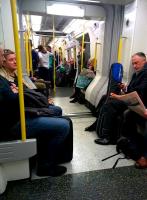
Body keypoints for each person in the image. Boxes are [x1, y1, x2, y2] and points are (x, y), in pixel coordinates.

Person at [0, 48, 72, 177]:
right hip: (13, 123)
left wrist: (39, 101)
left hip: (19, 115)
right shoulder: (2, 80)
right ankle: (45, 166)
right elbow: (12, 100)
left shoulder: (9, 77)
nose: (13, 61)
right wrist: (17, 93)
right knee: (63, 126)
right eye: (7, 59)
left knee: (56, 112)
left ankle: (51, 153)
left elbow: (19, 96)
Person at [92, 52, 147, 145]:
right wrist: (124, 88)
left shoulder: (145, 74)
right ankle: (99, 126)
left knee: (110, 104)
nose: (134, 66)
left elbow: (139, 92)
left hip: (140, 104)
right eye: (133, 63)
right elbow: (132, 90)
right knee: (105, 98)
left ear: (144, 61)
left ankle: (107, 136)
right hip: (132, 101)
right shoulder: (136, 74)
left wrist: (119, 96)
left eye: (136, 63)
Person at [0, 49, 62, 116]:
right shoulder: (5, 80)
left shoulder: (17, 73)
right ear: (4, 63)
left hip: (29, 101)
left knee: (56, 109)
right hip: (25, 106)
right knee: (57, 110)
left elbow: (27, 89)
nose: (15, 62)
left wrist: (43, 100)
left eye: (15, 59)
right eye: (11, 60)